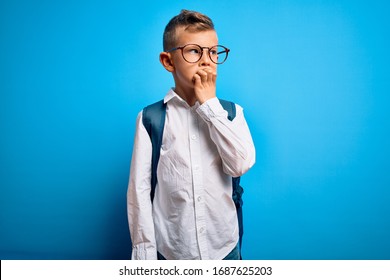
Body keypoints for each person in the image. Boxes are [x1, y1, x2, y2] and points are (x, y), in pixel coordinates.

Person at [127, 9, 255, 260]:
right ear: (168, 61)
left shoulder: (231, 113)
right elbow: (139, 192)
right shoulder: (150, 118)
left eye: (213, 52)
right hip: (173, 251)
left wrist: (208, 105)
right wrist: (144, 255)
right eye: (195, 51)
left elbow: (239, 165)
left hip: (224, 250)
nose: (207, 60)